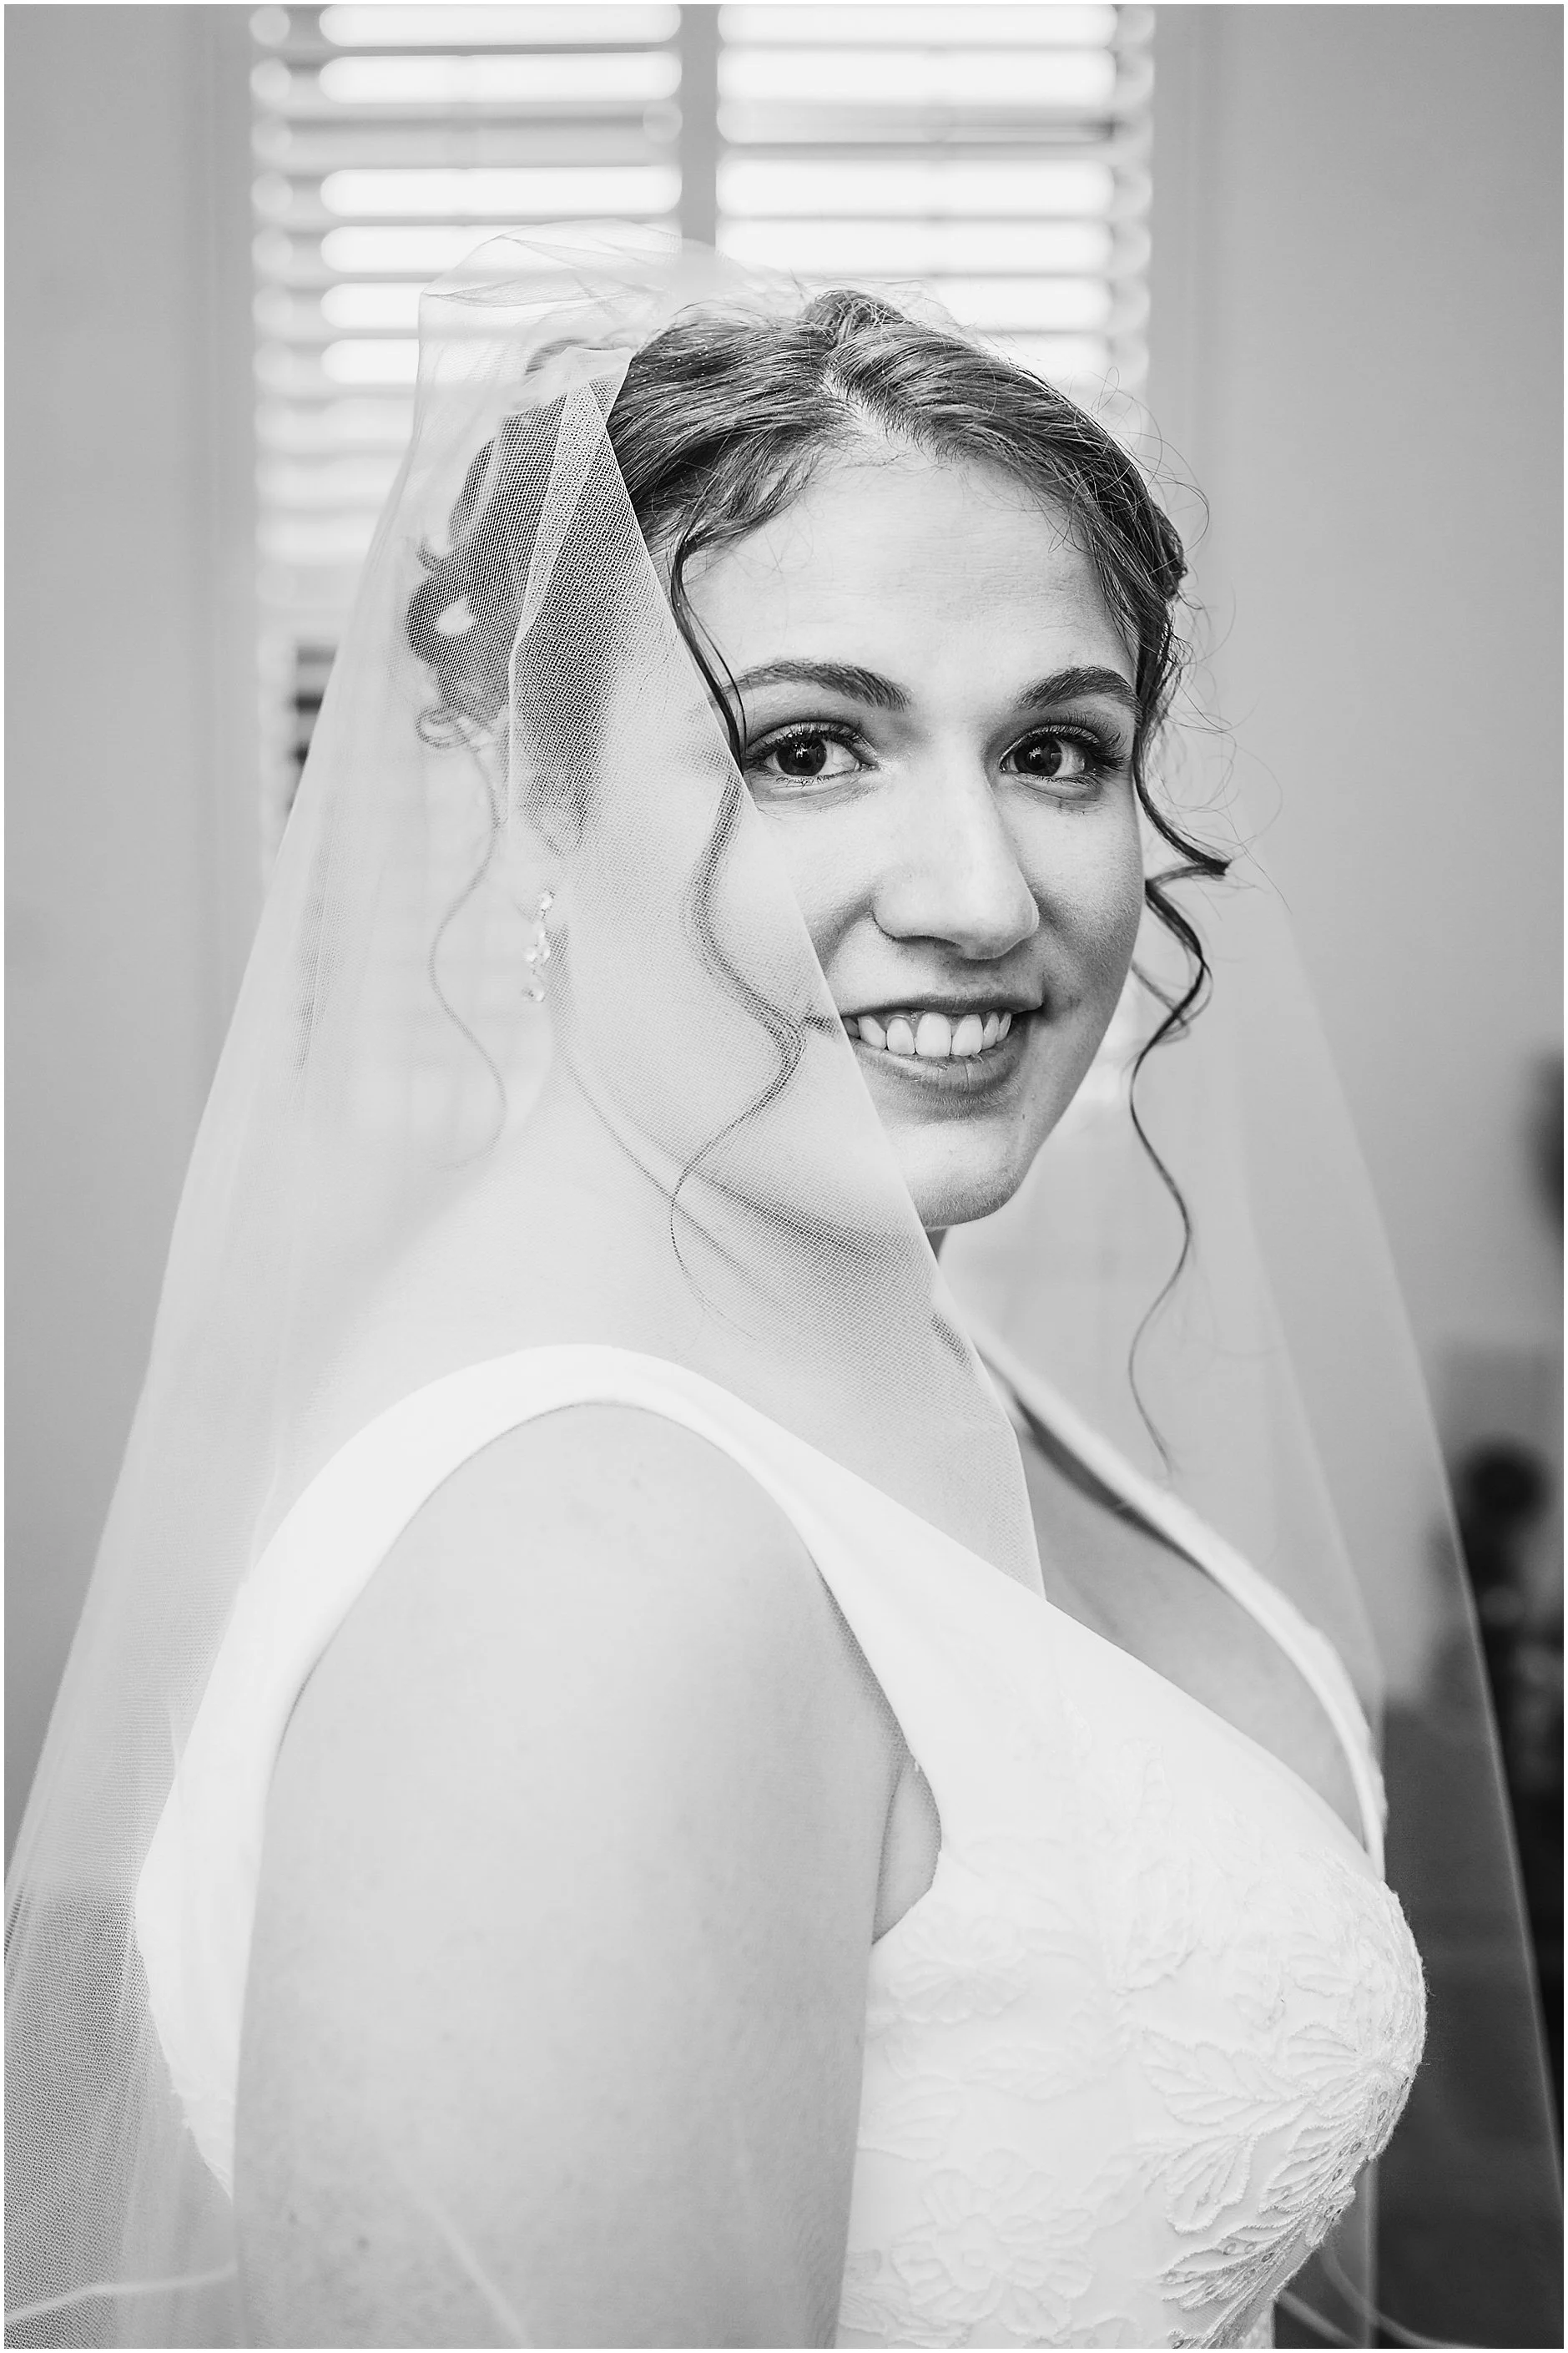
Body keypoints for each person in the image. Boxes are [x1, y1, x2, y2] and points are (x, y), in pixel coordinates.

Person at [4, 236, 1556, 2350]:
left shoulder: (843, 1296)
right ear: (540, 797)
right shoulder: (577, 1578)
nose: (983, 896)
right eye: (811, 747)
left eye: (1058, 750)